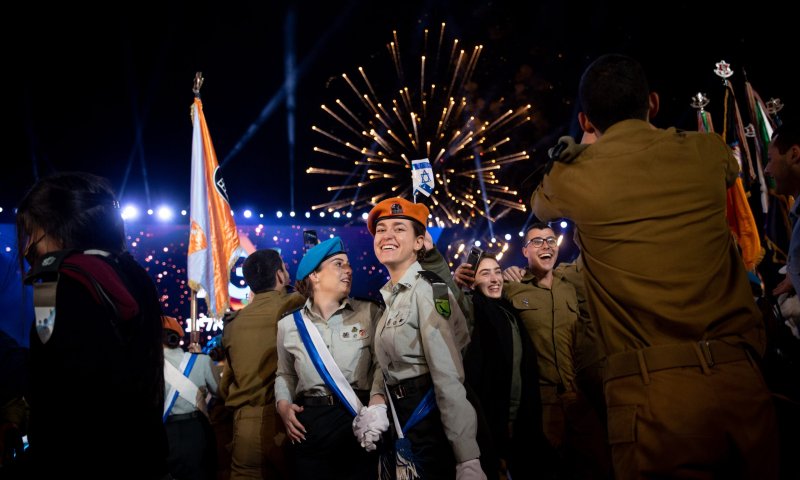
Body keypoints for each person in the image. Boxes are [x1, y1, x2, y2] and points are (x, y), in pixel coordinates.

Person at [532, 53, 779, 478]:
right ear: (654, 102)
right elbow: (729, 166)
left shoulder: (574, 179)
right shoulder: (707, 153)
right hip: (740, 380)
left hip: (653, 396)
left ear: (586, 121)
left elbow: (540, 203)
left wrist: (580, 152)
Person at [16, 171, 168, 478]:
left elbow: (52, 387)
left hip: (78, 458)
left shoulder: (53, 283)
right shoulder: (134, 273)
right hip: (142, 453)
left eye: (32, 232)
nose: (29, 246)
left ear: (54, 227)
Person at [456, 223, 608, 479]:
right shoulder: (511, 287)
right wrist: (460, 281)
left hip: (578, 396)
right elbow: (476, 304)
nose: (545, 246)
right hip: (540, 402)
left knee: (599, 467)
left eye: (550, 240)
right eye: (537, 242)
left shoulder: (570, 283)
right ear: (525, 251)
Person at [367, 196, 486, 480]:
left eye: (399, 228)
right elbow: (387, 364)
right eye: (381, 229)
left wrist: (467, 456)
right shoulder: (390, 298)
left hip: (428, 422)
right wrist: (376, 400)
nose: (387, 236)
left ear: (420, 242)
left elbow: (448, 377)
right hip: (402, 421)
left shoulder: (430, 291)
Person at [275, 236, 385, 479]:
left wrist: (377, 403)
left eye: (348, 265)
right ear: (314, 275)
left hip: (358, 418)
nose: (348, 270)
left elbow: (382, 365)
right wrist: (282, 404)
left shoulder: (370, 312)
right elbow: (285, 373)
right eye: (338, 264)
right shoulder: (288, 324)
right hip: (311, 423)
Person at [460, 253, 550, 479]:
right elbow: (456, 303)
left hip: (517, 420)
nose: (494, 279)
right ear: (472, 282)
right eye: (485, 273)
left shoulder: (509, 311)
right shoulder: (472, 310)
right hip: (489, 423)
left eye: (497, 272)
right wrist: (456, 284)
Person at [219, 248, 305, 480]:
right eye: (285, 269)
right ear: (280, 275)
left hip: (245, 425)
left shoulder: (233, 324)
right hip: (289, 423)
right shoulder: (297, 306)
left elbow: (226, 384)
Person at [162, 315, 220, 480]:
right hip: (196, 430)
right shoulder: (201, 361)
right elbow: (220, 392)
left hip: (165, 433)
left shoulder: (150, 364)